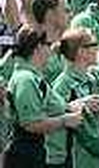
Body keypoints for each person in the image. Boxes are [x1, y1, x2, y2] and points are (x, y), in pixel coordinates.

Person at [5, 25, 84, 168]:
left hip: (35, 152)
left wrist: (72, 106)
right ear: (38, 48)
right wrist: (64, 121)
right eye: (48, 44)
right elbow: (31, 124)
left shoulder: (33, 77)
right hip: (25, 156)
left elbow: (53, 105)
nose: (53, 49)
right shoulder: (26, 79)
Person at [52, 27, 99, 168]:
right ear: (81, 51)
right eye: (94, 45)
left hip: (97, 161)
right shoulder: (62, 85)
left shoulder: (93, 79)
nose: (98, 49)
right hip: (75, 161)